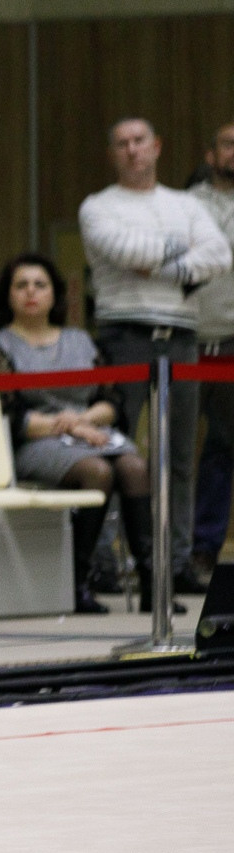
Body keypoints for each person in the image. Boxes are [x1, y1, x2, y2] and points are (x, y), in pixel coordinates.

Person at [80, 115, 231, 595]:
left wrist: (157, 263)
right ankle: (105, 563)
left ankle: (177, 562)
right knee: (114, 449)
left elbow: (219, 256)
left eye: (140, 140)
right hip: (122, 332)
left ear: (157, 146)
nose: (132, 150)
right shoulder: (98, 206)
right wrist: (181, 254)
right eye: (122, 143)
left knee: (180, 455)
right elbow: (123, 250)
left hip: (181, 333)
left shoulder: (186, 204)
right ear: (112, 153)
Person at [0, 253, 151, 615]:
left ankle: (152, 583)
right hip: (35, 442)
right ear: (7, 295)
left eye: (40, 285)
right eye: (21, 285)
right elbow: (7, 416)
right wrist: (71, 425)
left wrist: (82, 420)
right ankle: (77, 583)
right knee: (98, 471)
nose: (31, 292)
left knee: (134, 466)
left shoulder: (82, 340)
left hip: (92, 431)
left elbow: (112, 401)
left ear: (55, 294)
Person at [189, 120, 234, 585]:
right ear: (211, 154)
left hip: (233, 341)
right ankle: (166, 551)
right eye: (229, 144)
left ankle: (205, 549)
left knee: (223, 445)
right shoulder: (186, 205)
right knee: (176, 449)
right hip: (189, 338)